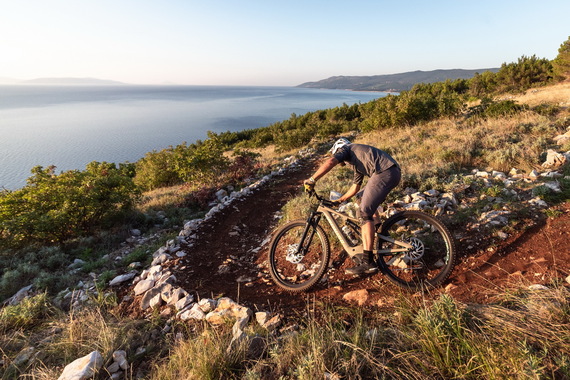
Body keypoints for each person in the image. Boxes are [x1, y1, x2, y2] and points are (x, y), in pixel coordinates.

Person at [304, 138, 401, 275]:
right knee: (361, 197)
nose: (339, 161)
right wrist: (340, 200)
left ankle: (368, 263)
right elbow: (355, 188)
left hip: (384, 172)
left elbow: (331, 161)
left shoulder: (347, 149)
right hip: (391, 172)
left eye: (336, 154)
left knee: (364, 213)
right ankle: (382, 236)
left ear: (338, 149)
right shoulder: (357, 161)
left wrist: (312, 180)